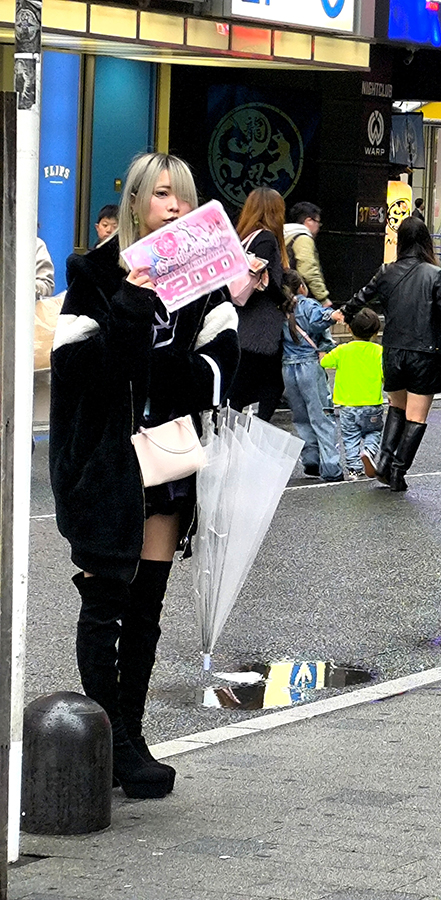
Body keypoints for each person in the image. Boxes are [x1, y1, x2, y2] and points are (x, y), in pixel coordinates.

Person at [48, 152, 240, 798]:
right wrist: (132, 300)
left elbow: (219, 370)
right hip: (103, 462)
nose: (176, 206)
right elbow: (79, 373)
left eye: (184, 195)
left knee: (146, 608)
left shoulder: (205, 277)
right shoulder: (95, 273)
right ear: (134, 201)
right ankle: (108, 744)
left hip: (168, 459)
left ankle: (131, 735)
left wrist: (154, 372)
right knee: (105, 600)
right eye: (161, 194)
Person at [344, 217, 441, 492]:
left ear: (400, 241)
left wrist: (344, 313)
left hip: (393, 351)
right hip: (425, 353)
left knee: (397, 407)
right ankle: (398, 472)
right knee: (416, 415)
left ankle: (384, 461)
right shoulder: (435, 274)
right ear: (426, 241)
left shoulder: (385, 272)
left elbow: (359, 298)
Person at [227, 187, 291, 421]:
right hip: (260, 327)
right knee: (268, 385)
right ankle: (250, 432)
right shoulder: (266, 238)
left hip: (243, 322)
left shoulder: (243, 238)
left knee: (248, 384)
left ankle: (235, 428)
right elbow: (263, 276)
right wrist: (283, 299)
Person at [280, 269, 341, 482]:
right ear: (301, 287)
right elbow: (318, 320)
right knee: (321, 416)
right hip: (309, 365)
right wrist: (333, 315)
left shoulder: (279, 307)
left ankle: (311, 459)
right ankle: (331, 466)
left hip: (288, 368)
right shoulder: (307, 305)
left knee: (301, 417)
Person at [321, 308, 385, 479]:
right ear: (375, 332)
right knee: (374, 432)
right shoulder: (379, 351)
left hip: (347, 405)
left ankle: (354, 468)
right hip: (372, 403)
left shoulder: (343, 350)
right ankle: (369, 451)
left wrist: (322, 352)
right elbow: (386, 375)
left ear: (349, 328)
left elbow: (325, 362)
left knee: (350, 438)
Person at [283, 201, 330, 305]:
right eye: (318, 222)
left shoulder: (285, 234)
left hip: (284, 294)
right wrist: (322, 298)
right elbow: (308, 269)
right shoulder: (303, 238)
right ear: (309, 220)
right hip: (298, 298)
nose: (319, 226)